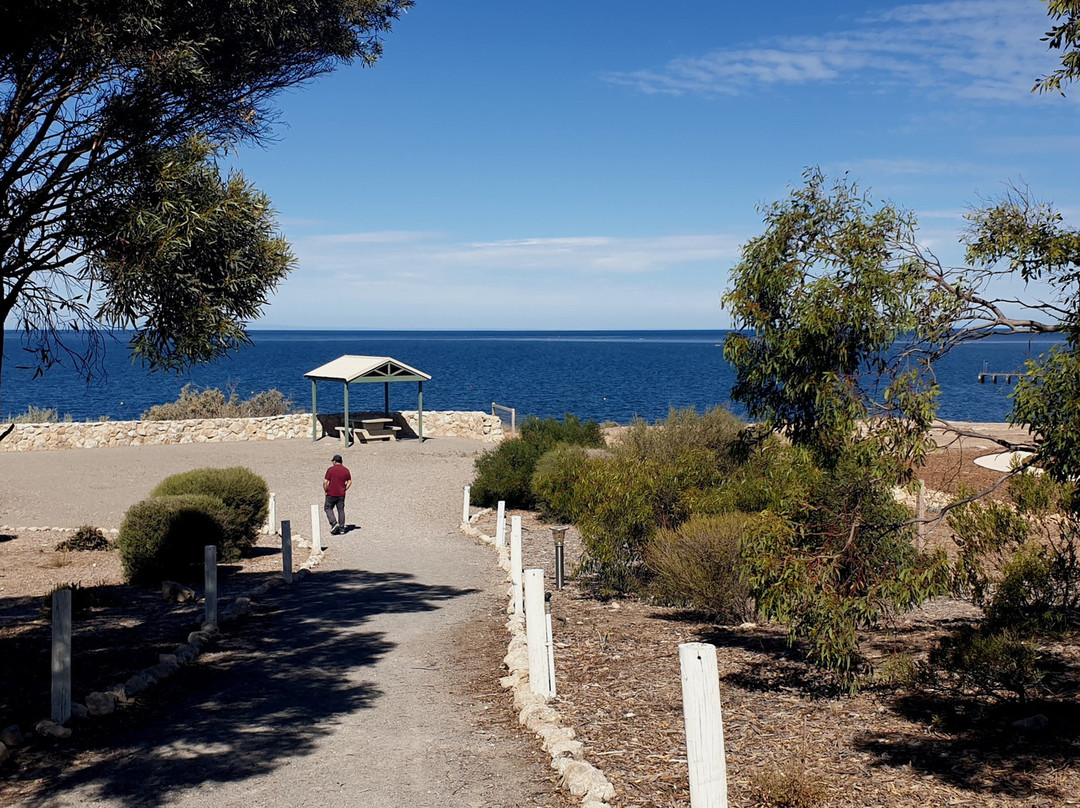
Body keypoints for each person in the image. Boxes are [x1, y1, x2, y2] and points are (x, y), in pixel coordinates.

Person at [323, 454, 352, 535]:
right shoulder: (346, 470)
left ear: (335, 461)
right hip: (341, 494)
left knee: (328, 508)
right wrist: (345, 488)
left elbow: (325, 482)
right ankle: (342, 529)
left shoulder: (330, 470)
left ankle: (334, 523)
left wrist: (326, 490)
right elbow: (349, 481)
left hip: (331, 493)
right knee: (341, 510)